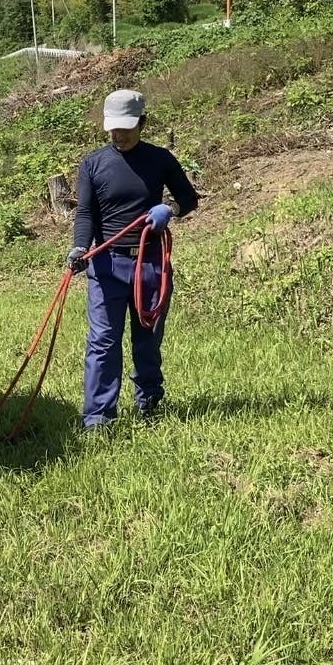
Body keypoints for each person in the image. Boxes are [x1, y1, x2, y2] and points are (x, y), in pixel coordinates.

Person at [66, 88, 198, 432]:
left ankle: (149, 401)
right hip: (106, 265)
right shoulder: (93, 164)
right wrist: (80, 247)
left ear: (142, 122)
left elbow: (188, 198)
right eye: (113, 128)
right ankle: (98, 418)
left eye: (125, 128)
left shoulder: (160, 159)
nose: (119, 135)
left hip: (150, 264)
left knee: (148, 338)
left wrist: (170, 209)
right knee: (102, 342)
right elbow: (86, 213)